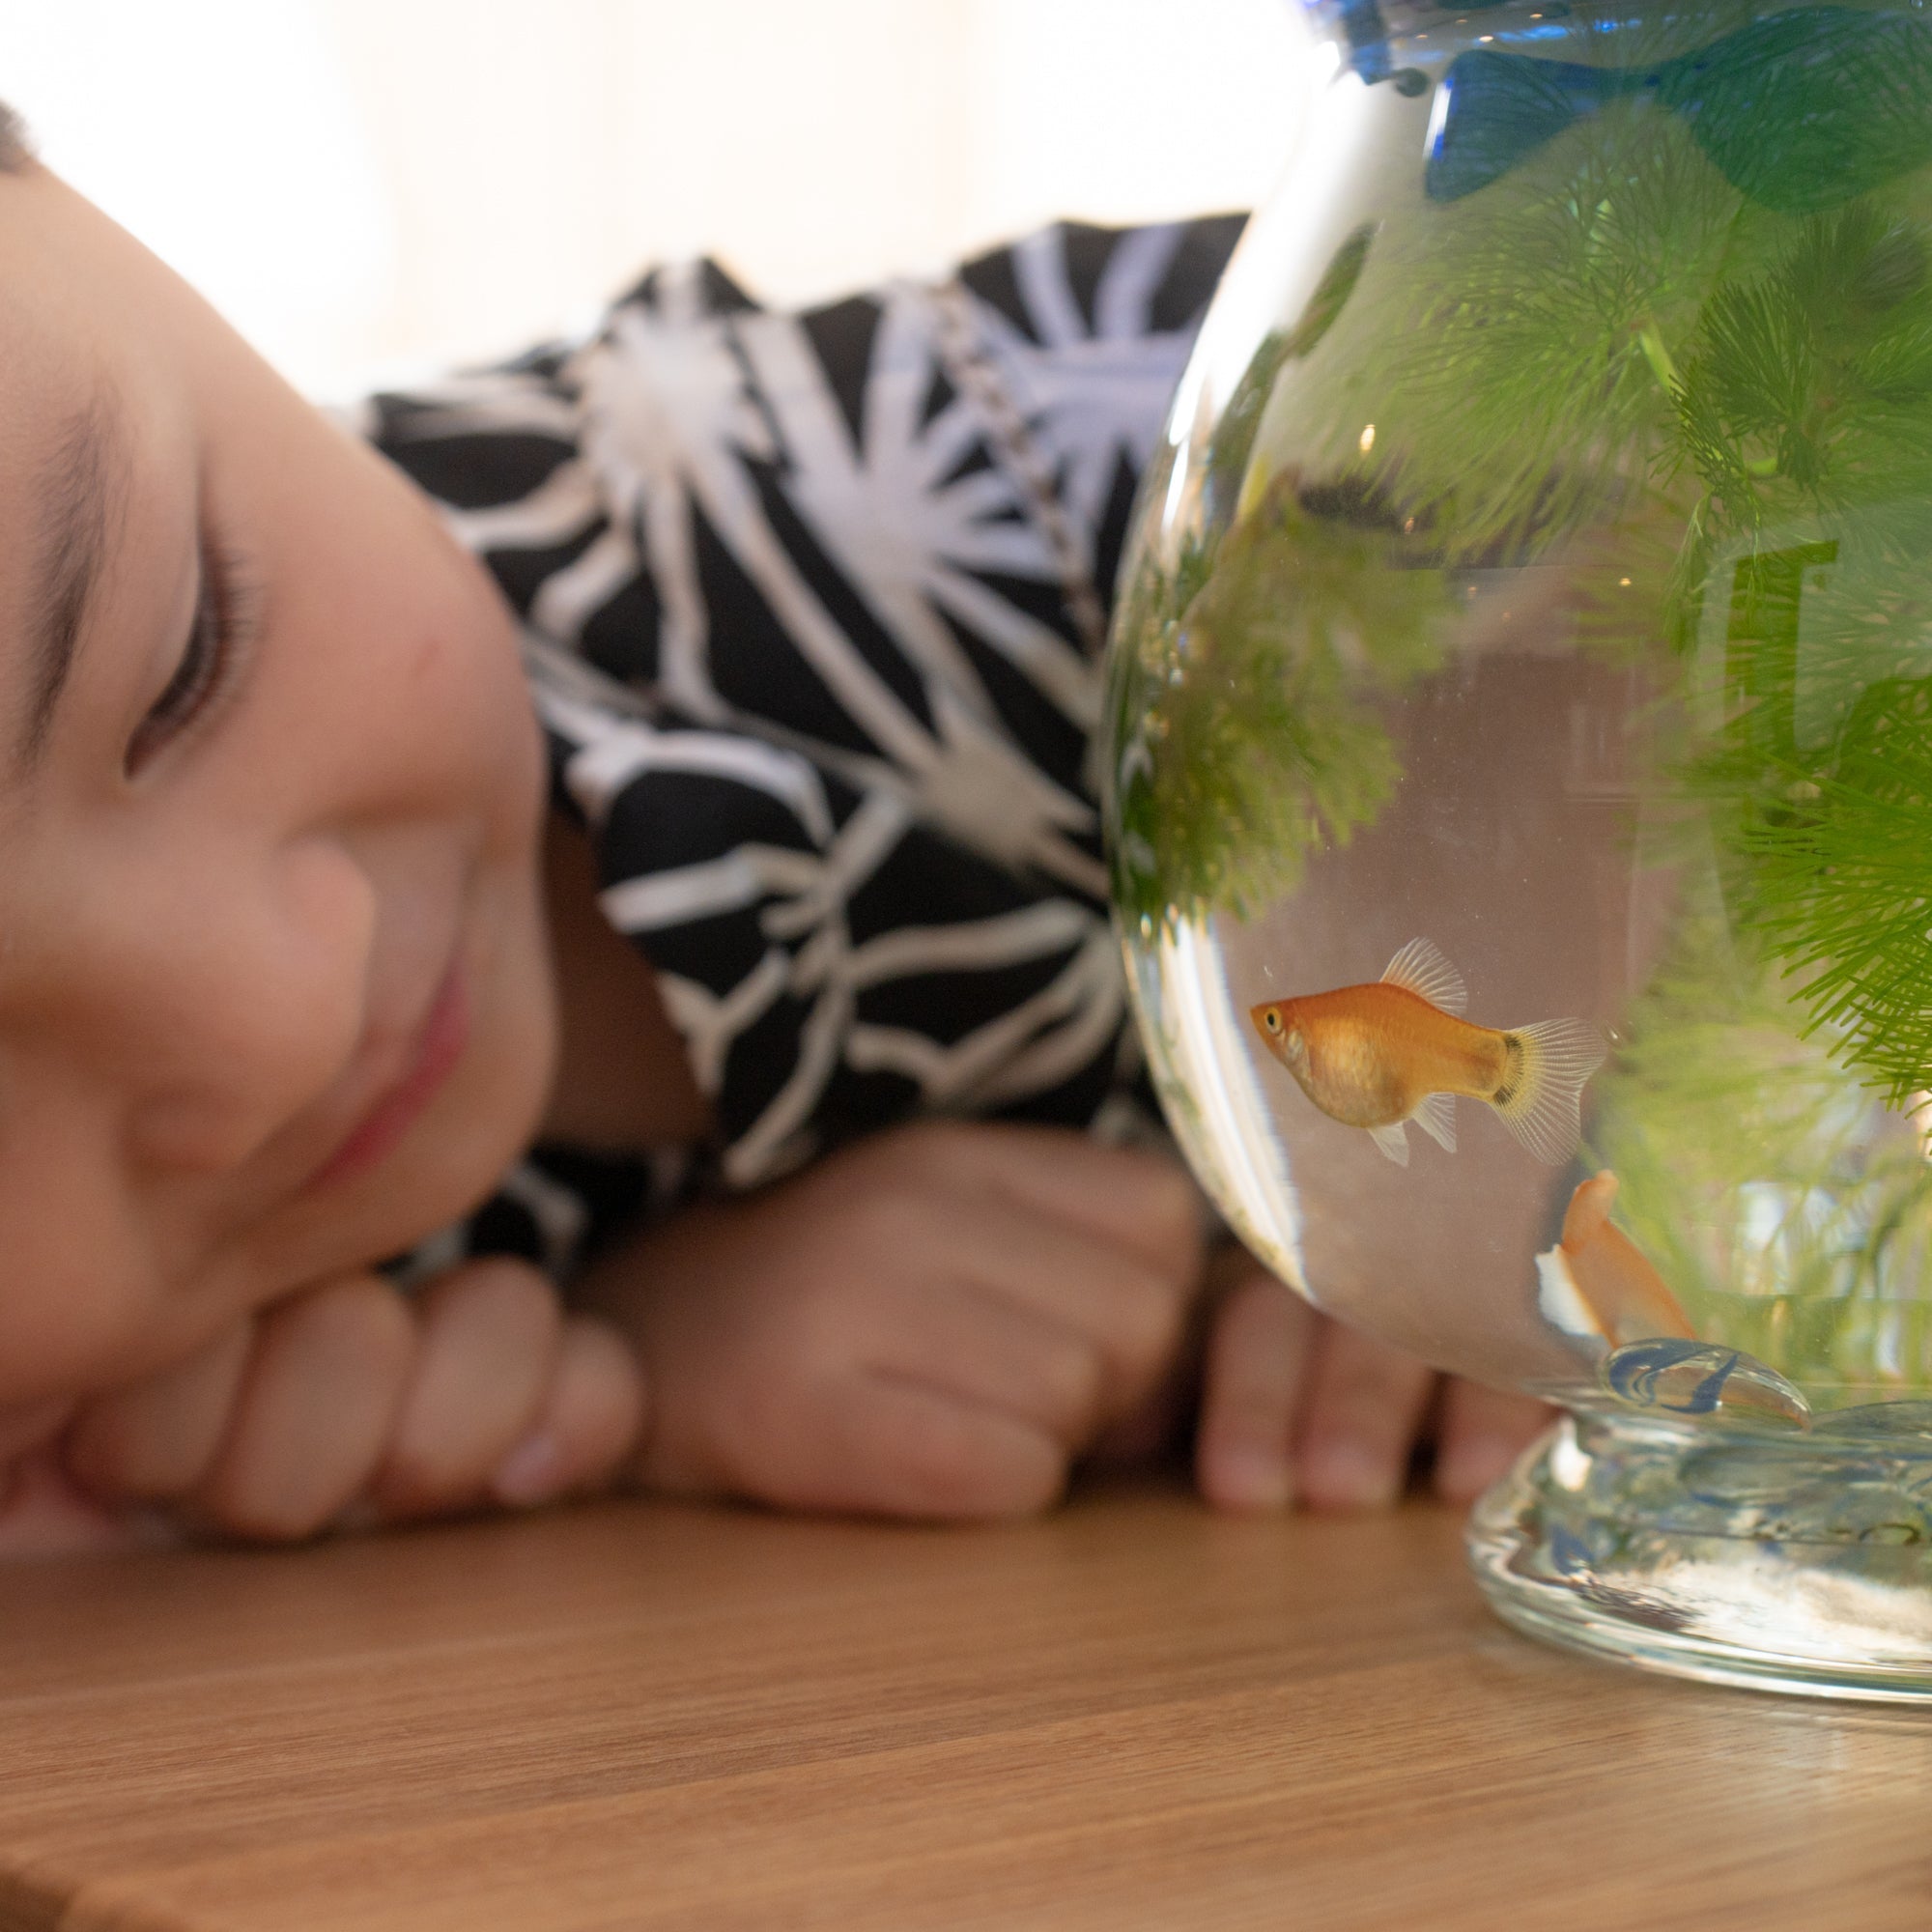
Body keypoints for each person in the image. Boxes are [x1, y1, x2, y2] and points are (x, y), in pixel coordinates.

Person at [0, 111, 1548, 1557]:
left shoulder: (1036, 474)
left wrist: (1545, 1204)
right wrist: (628, 1371)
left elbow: (1715, 402)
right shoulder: (158, 1384)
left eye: (183, 660)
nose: (281, 1021)